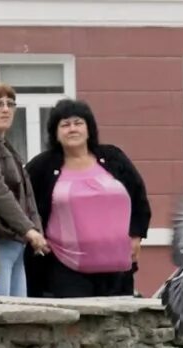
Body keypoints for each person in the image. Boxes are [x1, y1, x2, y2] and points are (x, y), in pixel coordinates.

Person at [24, 99, 150, 298]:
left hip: (117, 269)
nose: (72, 129)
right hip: (66, 269)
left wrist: (137, 235)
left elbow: (138, 196)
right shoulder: (42, 167)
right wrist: (34, 234)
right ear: (55, 132)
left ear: (89, 128)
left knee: (117, 328)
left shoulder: (113, 157)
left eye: (78, 123)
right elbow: (24, 203)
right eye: (65, 125)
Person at [0, 82, 45, 297]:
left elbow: (26, 192)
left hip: (15, 243)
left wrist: (35, 229)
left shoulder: (4, 144)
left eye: (10, 104)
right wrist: (28, 229)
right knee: (0, 315)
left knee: (16, 316)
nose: (5, 109)